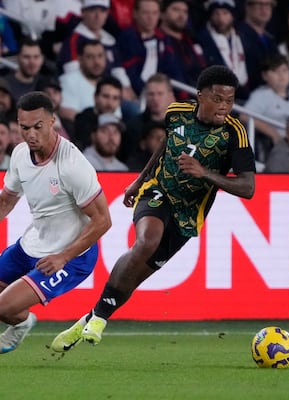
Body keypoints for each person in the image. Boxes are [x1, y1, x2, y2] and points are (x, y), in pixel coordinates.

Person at [51, 65, 256, 351]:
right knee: (147, 240)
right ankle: (97, 319)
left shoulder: (236, 133)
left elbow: (248, 188)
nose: (224, 107)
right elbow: (166, 142)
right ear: (200, 97)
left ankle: (91, 318)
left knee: (135, 276)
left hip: (188, 215)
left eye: (230, 101)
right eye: (218, 99)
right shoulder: (176, 112)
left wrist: (205, 173)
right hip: (158, 190)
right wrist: (139, 180)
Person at [0, 91, 111, 365]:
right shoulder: (20, 154)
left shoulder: (72, 165)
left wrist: (64, 256)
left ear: (52, 123)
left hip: (73, 257)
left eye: (38, 126)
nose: (31, 134)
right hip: (34, 243)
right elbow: (5, 201)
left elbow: (103, 221)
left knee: (5, 308)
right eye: (24, 128)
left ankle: (22, 323)